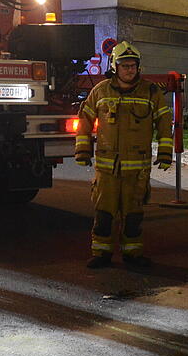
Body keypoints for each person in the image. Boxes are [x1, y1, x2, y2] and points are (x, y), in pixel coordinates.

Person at [74, 41, 173, 269]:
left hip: (137, 169)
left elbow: (164, 122)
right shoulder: (100, 91)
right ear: (114, 67)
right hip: (107, 168)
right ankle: (101, 253)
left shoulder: (151, 92)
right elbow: (85, 119)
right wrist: (82, 149)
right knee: (104, 213)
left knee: (133, 215)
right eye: (125, 65)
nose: (129, 70)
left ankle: (133, 254)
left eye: (133, 66)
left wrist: (165, 152)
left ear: (138, 67)